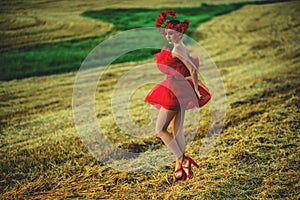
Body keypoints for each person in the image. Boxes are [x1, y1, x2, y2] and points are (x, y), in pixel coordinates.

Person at [144, 9, 211, 182]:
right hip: (180, 89)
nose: (168, 37)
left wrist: (196, 89)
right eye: (166, 34)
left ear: (180, 34)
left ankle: (183, 160)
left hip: (174, 91)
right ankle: (179, 169)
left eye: (171, 34)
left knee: (159, 130)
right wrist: (191, 87)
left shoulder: (177, 50)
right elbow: (188, 71)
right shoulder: (180, 47)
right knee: (177, 131)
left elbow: (193, 70)